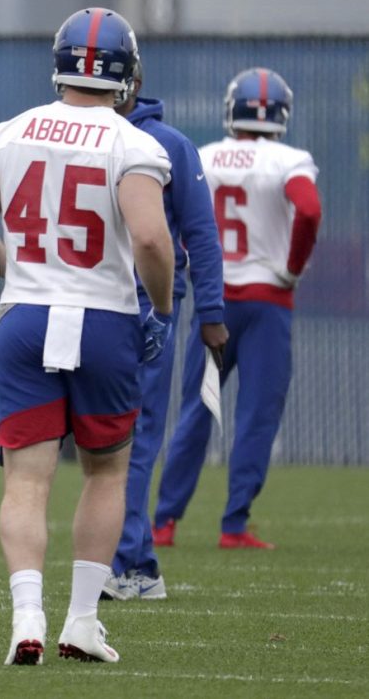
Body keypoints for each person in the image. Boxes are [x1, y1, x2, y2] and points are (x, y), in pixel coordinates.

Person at [0, 7, 174, 665]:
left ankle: (26, 618)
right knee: (106, 472)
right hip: (104, 317)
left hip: (25, 318)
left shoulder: (9, 131)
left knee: (25, 481)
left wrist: (23, 274)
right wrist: (161, 308)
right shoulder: (132, 142)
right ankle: (80, 620)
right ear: (125, 74)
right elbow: (150, 238)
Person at [152, 68, 321, 551]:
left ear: (233, 109)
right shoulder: (291, 160)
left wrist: (190, 260)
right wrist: (292, 267)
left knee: (196, 409)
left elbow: (174, 213)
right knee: (256, 414)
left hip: (216, 302)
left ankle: (164, 522)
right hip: (268, 302)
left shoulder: (204, 155)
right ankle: (233, 525)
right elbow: (309, 209)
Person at [101, 59, 228, 601]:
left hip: (141, 304)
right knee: (109, 438)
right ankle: (133, 560)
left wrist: (212, 312)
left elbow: (200, 234)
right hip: (85, 301)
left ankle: (130, 561)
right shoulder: (81, 132)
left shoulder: (171, 144)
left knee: (130, 436)